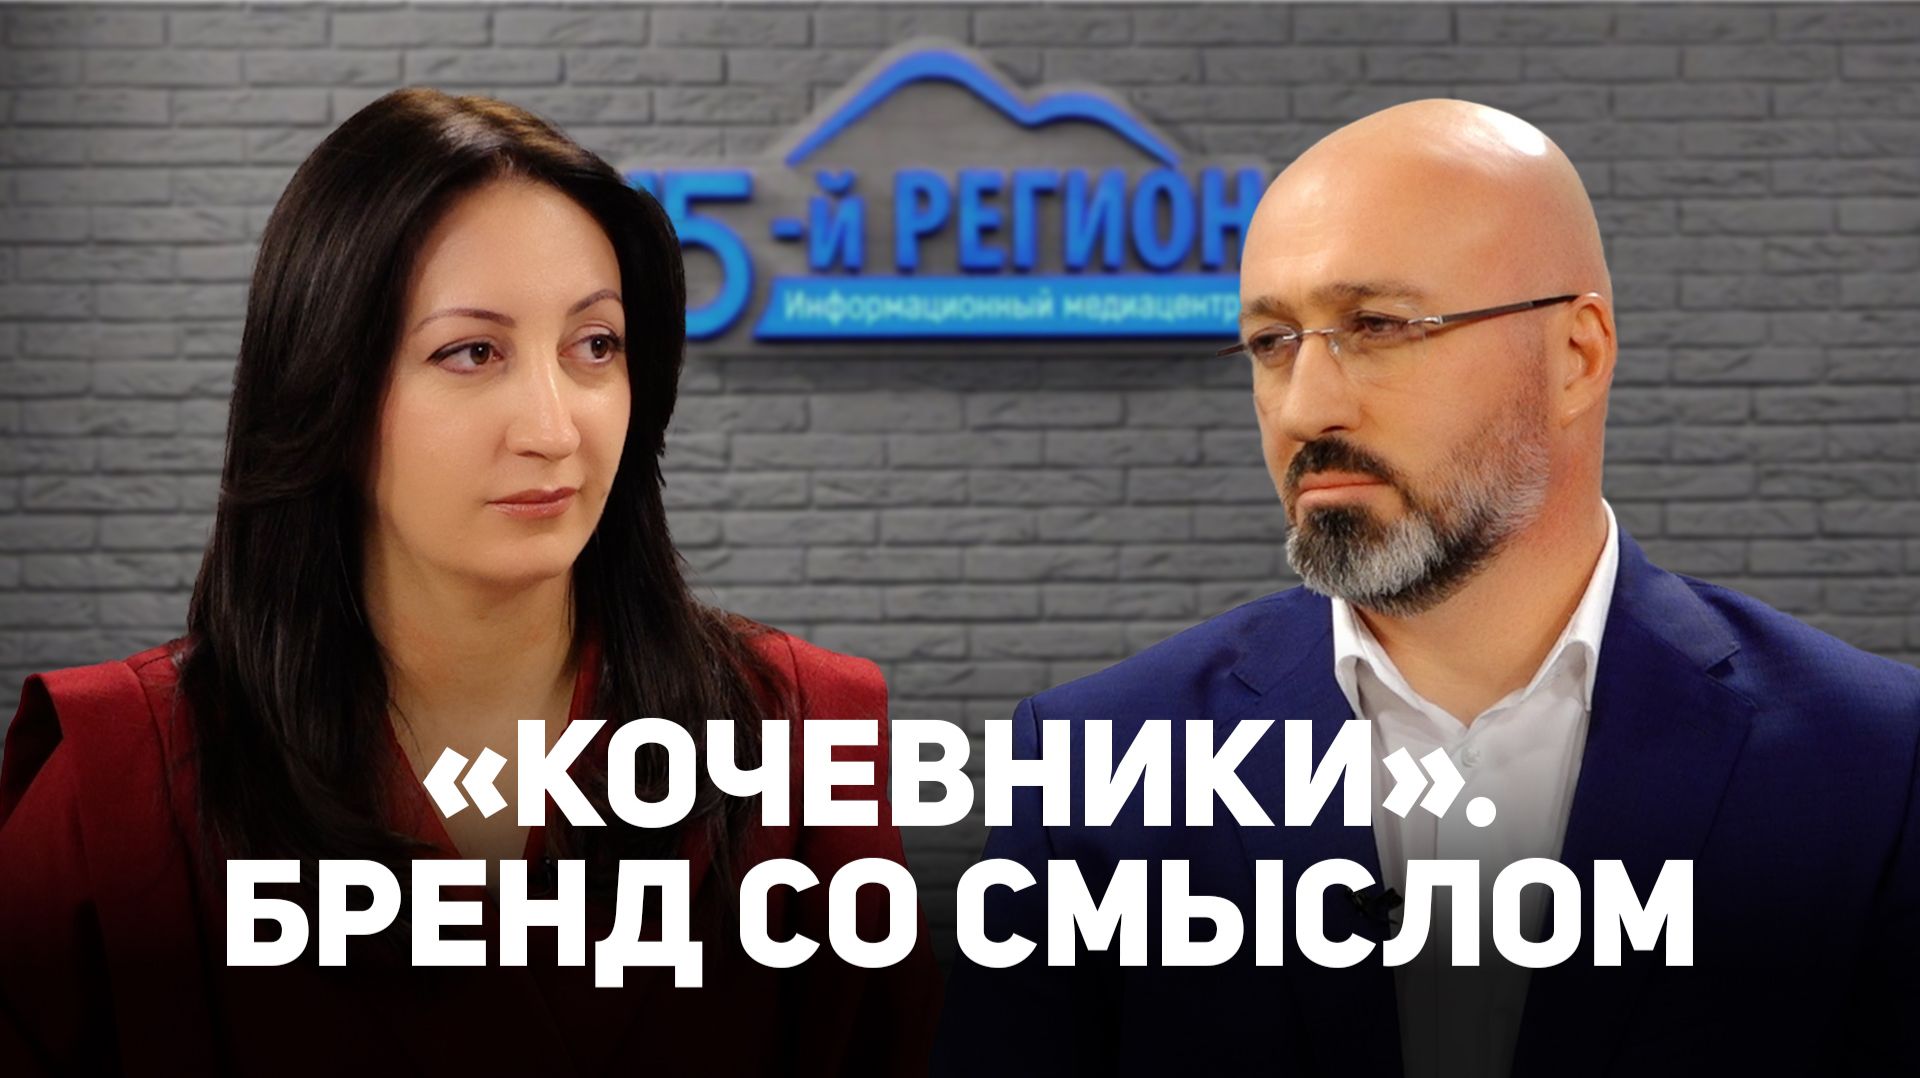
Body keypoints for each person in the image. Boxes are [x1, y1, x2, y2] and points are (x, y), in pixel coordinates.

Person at [933, 98, 1920, 1077]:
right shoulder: (1099, 762)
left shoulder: (1875, 761)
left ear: (1575, 356)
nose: (1305, 407)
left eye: (1377, 325)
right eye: (1272, 342)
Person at [0, 88, 939, 1077]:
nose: (553, 428)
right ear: (326, 384)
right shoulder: (117, 782)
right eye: (472, 352)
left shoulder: (801, 734)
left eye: (595, 345)